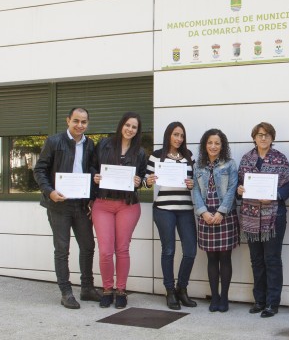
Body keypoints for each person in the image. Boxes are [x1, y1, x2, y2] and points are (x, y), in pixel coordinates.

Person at [34, 107, 102, 309]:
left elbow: (91, 171)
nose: (80, 125)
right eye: (76, 121)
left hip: (81, 205)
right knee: (62, 250)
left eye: (84, 122)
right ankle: (66, 292)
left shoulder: (90, 144)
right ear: (68, 121)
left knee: (88, 246)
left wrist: (91, 196)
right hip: (59, 204)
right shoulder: (54, 141)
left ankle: (87, 288)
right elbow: (39, 170)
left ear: (88, 123)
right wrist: (50, 192)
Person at [237, 122, 289, 318]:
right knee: (256, 260)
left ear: (272, 138)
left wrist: (276, 195)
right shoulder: (246, 159)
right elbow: (239, 186)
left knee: (272, 259)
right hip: (251, 217)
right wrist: (239, 190)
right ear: (254, 137)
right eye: (260, 135)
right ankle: (259, 300)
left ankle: (272, 303)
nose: (263, 138)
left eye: (267, 135)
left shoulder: (280, 158)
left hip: (274, 216)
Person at [91, 111, 147, 309]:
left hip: (127, 205)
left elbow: (142, 179)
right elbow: (91, 167)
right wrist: (94, 176)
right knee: (106, 251)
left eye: (134, 127)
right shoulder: (104, 144)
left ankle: (121, 290)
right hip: (103, 204)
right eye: (128, 125)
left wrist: (139, 181)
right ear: (121, 124)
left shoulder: (140, 152)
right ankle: (107, 289)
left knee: (122, 249)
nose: (130, 129)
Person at [144, 122, 197, 310]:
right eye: (176, 134)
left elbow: (195, 182)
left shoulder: (189, 157)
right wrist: (148, 180)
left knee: (190, 250)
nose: (179, 139)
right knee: (168, 250)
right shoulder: (157, 156)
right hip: (164, 209)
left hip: (185, 209)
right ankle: (170, 291)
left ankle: (182, 288)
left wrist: (192, 184)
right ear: (168, 135)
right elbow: (146, 181)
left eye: (182, 135)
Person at [193, 129, 239, 313]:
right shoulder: (198, 165)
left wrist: (222, 211)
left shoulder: (229, 164)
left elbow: (232, 189)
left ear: (223, 146)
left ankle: (225, 297)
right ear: (205, 144)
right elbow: (195, 190)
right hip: (206, 216)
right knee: (211, 258)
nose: (213, 146)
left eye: (217, 143)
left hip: (225, 216)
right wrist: (203, 212)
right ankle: (215, 297)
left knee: (225, 258)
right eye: (210, 142)